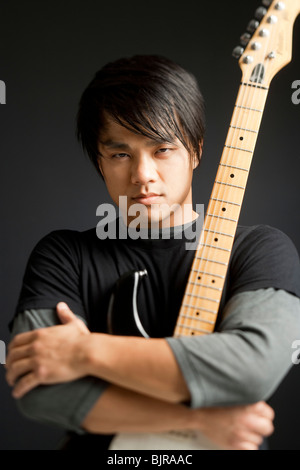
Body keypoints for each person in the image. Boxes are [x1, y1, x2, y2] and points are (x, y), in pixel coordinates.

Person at [5, 55, 300, 451]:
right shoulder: (63, 255)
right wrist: (197, 420)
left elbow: (252, 367)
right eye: (120, 154)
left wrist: (82, 351)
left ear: (195, 150)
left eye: (162, 149)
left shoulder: (259, 250)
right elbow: (40, 390)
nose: (143, 175)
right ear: (100, 161)